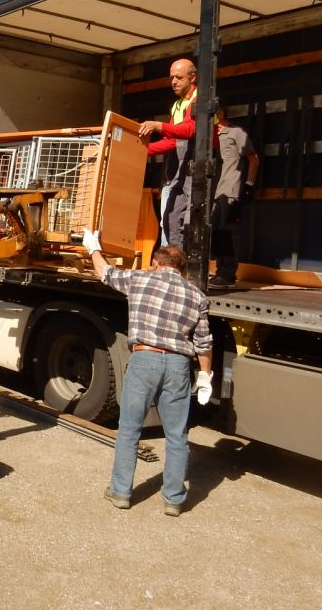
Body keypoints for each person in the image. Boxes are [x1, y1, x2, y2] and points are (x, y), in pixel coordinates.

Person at [82, 228, 213, 516]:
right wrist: (205, 376)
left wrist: (93, 247)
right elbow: (204, 343)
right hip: (178, 365)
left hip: (144, 360)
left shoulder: (140, 279)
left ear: (155, 263)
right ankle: (174, 500)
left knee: (129, 429)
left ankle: (120, 493)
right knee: (177, 435)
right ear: (183, 270)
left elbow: (105, 273)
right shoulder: (197, 296)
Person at [138, 59, 199, 249]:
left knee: (192, 221)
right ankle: (174, 262)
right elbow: (172, 142)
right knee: (170, 218)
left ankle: (188, 261)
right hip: (181, 169)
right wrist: (141, 151)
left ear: (193, 77)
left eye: (179, 77)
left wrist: (158, 126)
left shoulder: (198, 99)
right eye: (171, 77)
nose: (173, 82)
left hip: (198, 167)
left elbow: (190, 130)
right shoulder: (177, 105)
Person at [209, 106, 259, 288]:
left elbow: (254, 159)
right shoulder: (211, 136)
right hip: (217, 191)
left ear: (221, 112)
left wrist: (249, 185)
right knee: (216, 231)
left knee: (228, 231)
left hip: (232, 189)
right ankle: (220, 270)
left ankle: (228, 273)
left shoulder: (236, 132)